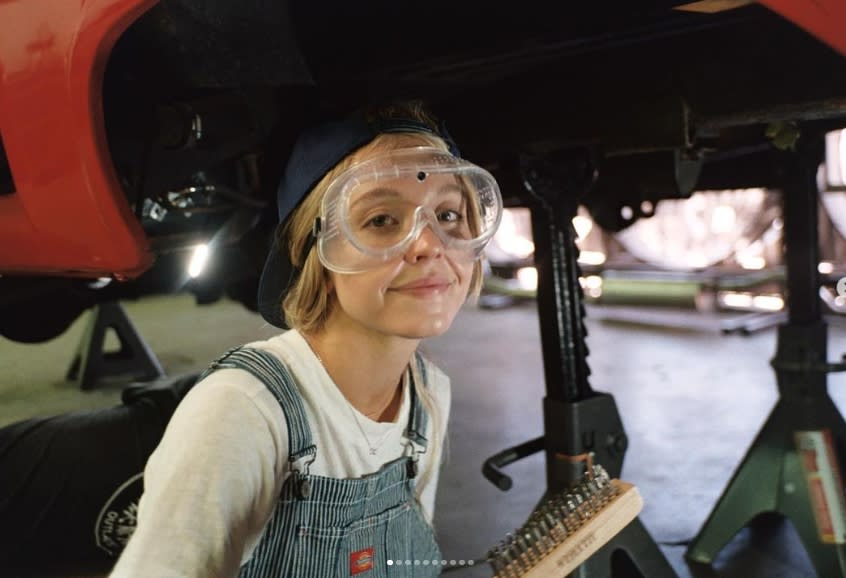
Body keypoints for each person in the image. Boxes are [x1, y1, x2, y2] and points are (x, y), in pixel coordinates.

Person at [108, 100, 503, 577]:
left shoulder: (428, 395)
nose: (428, 244)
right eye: (381, 220)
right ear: (314, 250)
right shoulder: (243, 411)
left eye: (447, 215)